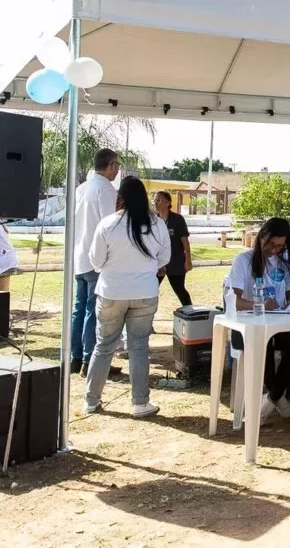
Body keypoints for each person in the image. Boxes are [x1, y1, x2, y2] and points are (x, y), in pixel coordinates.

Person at [83, 176, 169, 418]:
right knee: (139, 347)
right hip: (145, 292)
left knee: (104, 346)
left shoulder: (108, 224)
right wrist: (147, 268)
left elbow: (96, 261)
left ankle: (91, 400)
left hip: (111, 292)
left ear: (120, 197)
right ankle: (140, 403)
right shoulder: (157, 224)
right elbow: (164, 258)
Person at [225, 218, 290, 422]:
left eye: (280, 246)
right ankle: (275, 396)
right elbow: (235, 301)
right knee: (263, 347)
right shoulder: (243, 260)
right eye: (271, 244)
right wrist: (259, 305)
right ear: (262, 237)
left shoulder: (284, 262)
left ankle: (272, 397)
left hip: (279, 323)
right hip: (249, 325)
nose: (274, 250)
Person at [71, 149, 122, 378]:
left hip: (80, 256)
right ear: (111, 165)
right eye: (117, 165)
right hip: (96, 258)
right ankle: (90, 360)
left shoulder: (81, 188)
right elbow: (108, 226)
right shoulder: (106, 189)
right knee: (93, 311)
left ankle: (76, 357)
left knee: (79, 309)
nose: (117, 170)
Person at [153, 192, 193, 307]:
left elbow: (185, 241)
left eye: (159, 200)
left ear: (168, 203)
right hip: (157, 263)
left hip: (175, 262)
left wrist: (188, 260)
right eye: (155, 200)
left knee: (180, 290)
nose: (156, 203)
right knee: (151, 290)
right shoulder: (153, 220)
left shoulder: (177, 219)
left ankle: (190, 311)